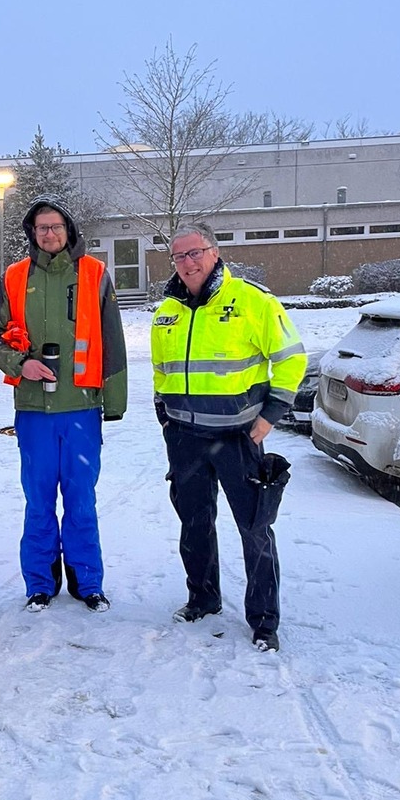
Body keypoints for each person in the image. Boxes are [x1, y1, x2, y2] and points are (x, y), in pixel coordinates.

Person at [151, 222, 306, 651]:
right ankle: (203, 598)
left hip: (239, 438)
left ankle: (263, 620)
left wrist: (270, 416)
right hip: (185, 439)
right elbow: (161, 371)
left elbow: (291, 360)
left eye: (195, 252)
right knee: (194, 524)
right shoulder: (167, 310)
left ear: (215, 253)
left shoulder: (252, 302)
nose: (188, 262)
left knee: (254, 528)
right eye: (179, 256)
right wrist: (164, 416)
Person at [0, 194, 127, 613]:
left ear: (69, 231)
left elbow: (113, 341)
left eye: (56, 226)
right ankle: (40, 583)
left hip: (81, 409)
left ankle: (88, 583)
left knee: (81, 501)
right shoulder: (12, 277)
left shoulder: (95, 274)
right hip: (33, 413)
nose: (49, 233)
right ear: (32, 232)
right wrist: (19, 363)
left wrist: (113, 402)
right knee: (39, 501)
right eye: (41, 227)